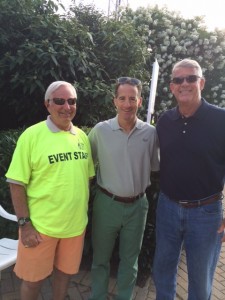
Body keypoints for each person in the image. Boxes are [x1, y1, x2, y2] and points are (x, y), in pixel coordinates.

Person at [5, 81, 95, 300]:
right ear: (48, 104)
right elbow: (16, 182)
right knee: (33, 281)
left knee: (64, 276)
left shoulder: (82, 137)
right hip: (40, 228)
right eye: (59, 101)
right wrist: (25, 225)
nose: (67, 106)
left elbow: (86, 179)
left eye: (72, 101)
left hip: (74, 228)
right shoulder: (32, 136)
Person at [153, 58, 225, 300]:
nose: (184, 83)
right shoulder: (164, 121)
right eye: (178, 80)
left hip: (206, 213)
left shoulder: (221, 120)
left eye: (191, 78)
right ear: (172, 87)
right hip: (168, 207)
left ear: (201, 83)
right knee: (162, 271)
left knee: (200, 280)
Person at [88, 77, 160, 300]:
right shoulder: (100, 131)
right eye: (122, 98)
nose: (127, 104)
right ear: (114, 101)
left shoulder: (150, 133)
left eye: (132, 98)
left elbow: (156, 167)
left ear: (139, 102)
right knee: (100, 258)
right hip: (106, 204)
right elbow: (84, 164)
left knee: (131, 260)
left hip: (138, 206)